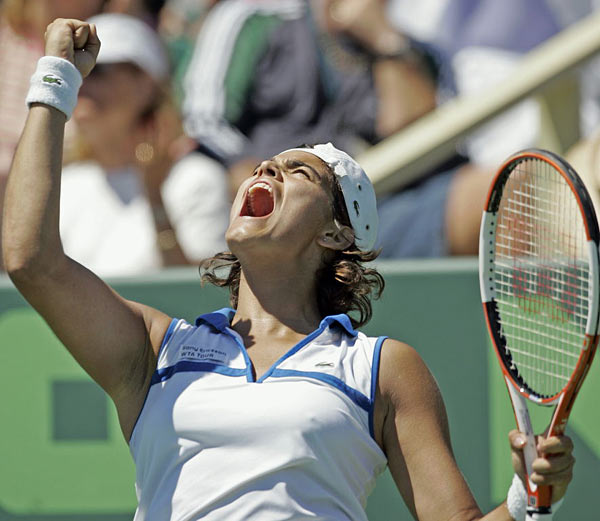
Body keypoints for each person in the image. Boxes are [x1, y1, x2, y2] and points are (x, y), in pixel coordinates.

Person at [4, 18, 575, 521]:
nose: (266, 173)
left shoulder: (383, 369)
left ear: (334, 232)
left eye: (296, 173)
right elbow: (30, 259)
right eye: (264, 166)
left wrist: (527, 500)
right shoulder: (155, 348)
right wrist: (56, 79)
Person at [59, 13, 230, 275]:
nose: (81, 81)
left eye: (97, 69)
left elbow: (201, 299)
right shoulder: (67, 183)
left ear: (146, 83)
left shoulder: (198, 180)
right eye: (74, 69)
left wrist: (154, 197)